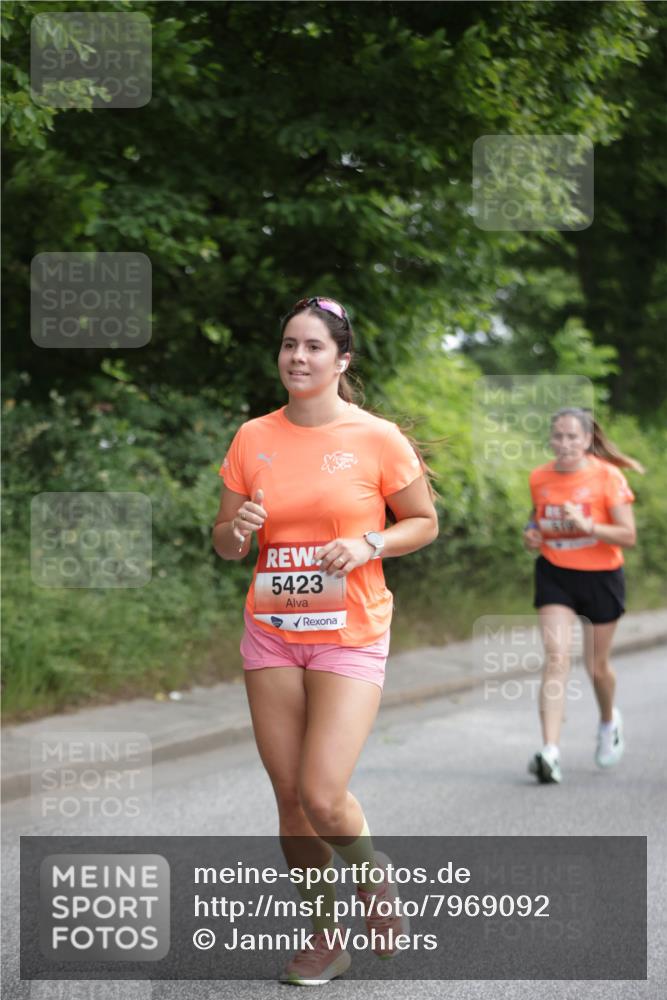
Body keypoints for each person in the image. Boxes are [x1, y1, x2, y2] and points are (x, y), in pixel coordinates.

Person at [212, 296, 439, 985]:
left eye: (313, 347)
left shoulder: (376, 438)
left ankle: (373, 878)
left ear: (342, 360)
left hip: (351, 631)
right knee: (288, 797)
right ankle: (323, 936)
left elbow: (422, 521)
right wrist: (239, 528)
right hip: (272, 631)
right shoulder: (253, 437)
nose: (297, 358)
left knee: (322, 793)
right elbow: (224, 546)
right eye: (288, 345)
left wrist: (369, 540)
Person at [523, 407, 643, 785]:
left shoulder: (608, 476)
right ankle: (550, 751)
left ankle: (609, 723)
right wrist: (531, 534)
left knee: (596, 667)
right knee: (557, 658)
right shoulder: (540, 476)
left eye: (573, 437)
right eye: (558, 436)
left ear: (588, 439)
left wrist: (588, 525)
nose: (564, 444)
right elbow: (535, 517)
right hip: (555, 573)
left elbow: (628, 535)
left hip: (602, 577)